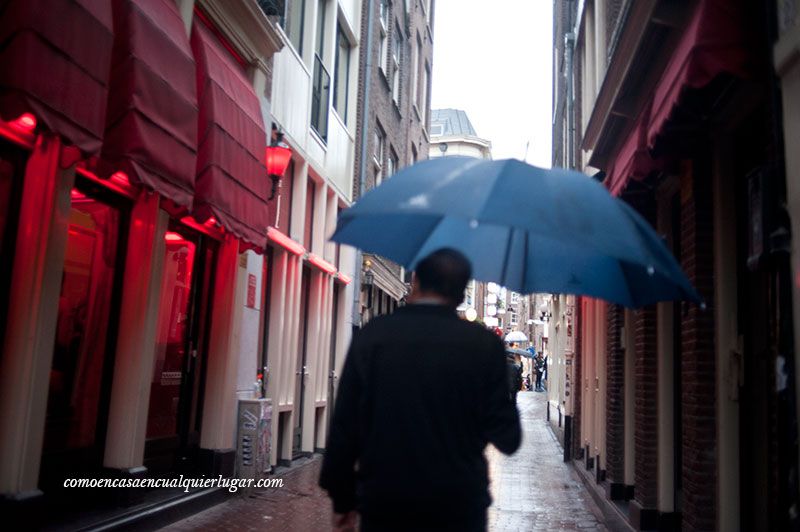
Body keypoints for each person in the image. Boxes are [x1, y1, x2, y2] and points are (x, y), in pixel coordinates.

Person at [319, 248, 522, 532]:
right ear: (462, 295)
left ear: (415, 281)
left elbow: (345, 426)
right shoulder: (484, 347)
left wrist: (343, 499)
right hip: (458, 506)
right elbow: (508, 438)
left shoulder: (374, 336)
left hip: (386, 501)